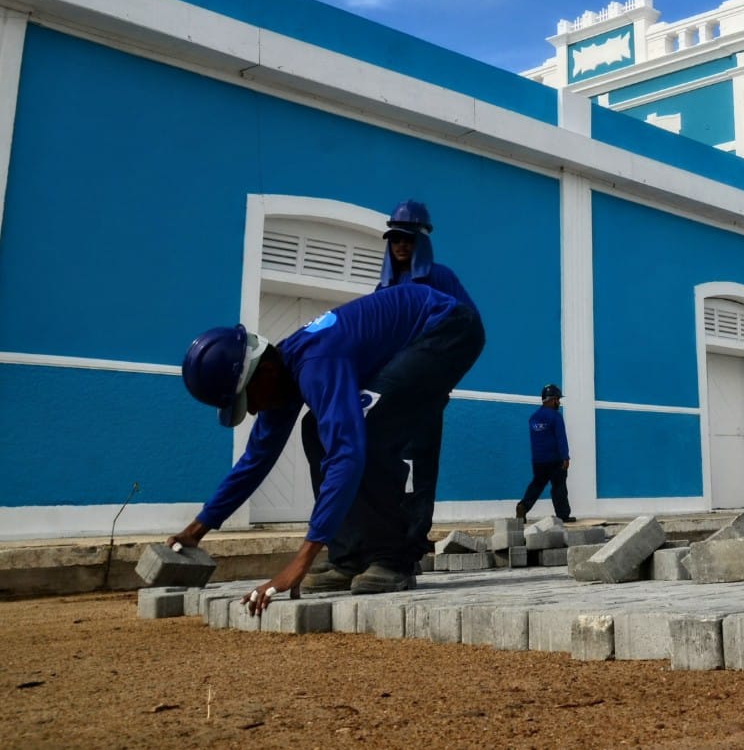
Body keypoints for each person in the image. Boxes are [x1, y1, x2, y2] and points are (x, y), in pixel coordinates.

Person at [172, 283, 482, 611]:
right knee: (317, 428)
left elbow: (348, 455)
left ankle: (393, 560)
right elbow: (255, 460)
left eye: (247, 400)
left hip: (448, 327)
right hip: (416, 336)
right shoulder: (282, 374)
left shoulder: (316, 363)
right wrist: (196, 530)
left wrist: (300, 562)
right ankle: (349, 559)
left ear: (265, 371)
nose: (250, 411)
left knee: (366, 428)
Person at [301, 199, 484, 578]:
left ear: (422, 241)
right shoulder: (381, 288)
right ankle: (354, 553)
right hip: (386, 394)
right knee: (369, 459)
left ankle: (407, 552)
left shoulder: (442, 278)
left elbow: (461, 334)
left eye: (408, 239)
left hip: (424, 394)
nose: (401, 245)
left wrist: (440, 384)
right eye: (395, 239)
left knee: (417, 472)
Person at [516, 383, 571, 523]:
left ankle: (523, 505)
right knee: (559, 487)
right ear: (552, 400)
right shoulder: (555, 417)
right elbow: (561, 438)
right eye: (558, 399)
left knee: (537, 485)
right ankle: (563, 515)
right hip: (555, 460)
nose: (559, 402)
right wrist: (565, 457)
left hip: (538, 461)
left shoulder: (534, 417)